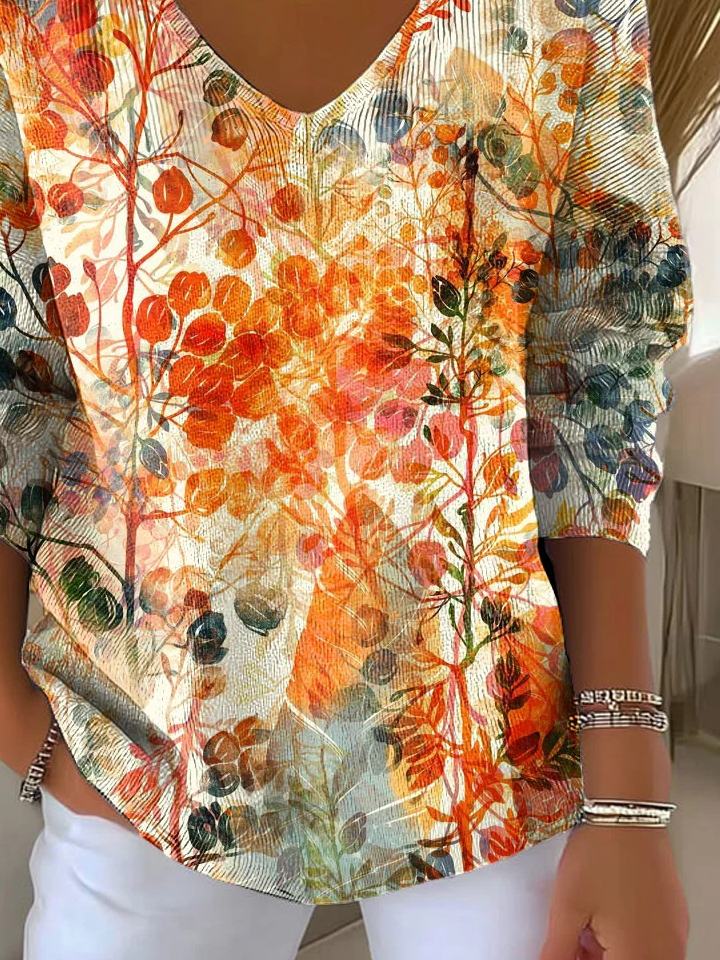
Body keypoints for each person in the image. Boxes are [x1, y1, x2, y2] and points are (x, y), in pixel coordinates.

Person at [0, 0, 706, 956]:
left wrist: (628, 799)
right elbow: (16, 379)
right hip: (143, 757)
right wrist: (22, 729)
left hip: (491, 751)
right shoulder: (43, 20)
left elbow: (592, 372)